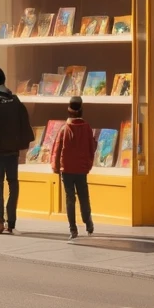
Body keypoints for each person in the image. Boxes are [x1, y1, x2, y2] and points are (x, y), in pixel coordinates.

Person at [0, 66, 35, 235]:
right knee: (13, 183)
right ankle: (11, 222)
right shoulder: (15, 100)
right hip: (12, 150)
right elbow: (24, 124)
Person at [50, 97, 96, 240]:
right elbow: (92, 147)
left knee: (70, 199)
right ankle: (88, 224)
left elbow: (57, 150)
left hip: (67, 169)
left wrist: (56, 167)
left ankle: (73, 229)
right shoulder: (87, 128)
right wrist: (88, 164)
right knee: (84, 197)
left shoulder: (64, 129)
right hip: (81, 169)